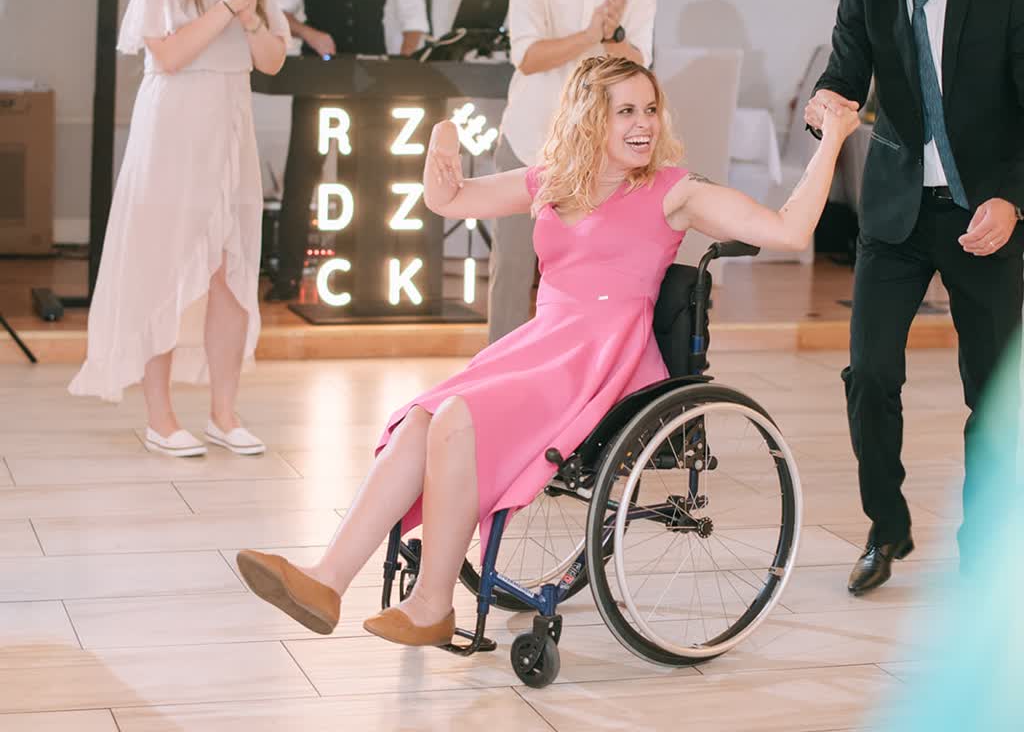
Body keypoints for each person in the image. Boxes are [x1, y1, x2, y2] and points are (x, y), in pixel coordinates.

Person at [237, 54, 859, 645]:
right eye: (626, 111)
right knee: (419, 419)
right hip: (540, 344)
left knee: (455, 418)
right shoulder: (554, 180)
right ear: (590, 118)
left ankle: (432, 604)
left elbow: (788, 229)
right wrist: (441, 154)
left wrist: (832, 139)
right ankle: (326, 580)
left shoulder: (675, 191)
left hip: (603, 358)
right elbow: (450, 201)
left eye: (650, 109)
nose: (644, 124)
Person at [806, 0, 1024, 594]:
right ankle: (886, 528)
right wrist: (826, 102)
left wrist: (1012, 200)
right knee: (868, 374)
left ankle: (986, 548)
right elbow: (844, 71)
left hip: (985, 215)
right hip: (895, 213)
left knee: (992, 393)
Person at [69, 0, 289, 457]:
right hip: (172, 131)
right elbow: (169, 56)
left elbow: (271, 61)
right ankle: (160, 418)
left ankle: (224, 413)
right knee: (164, 268)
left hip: (230, 130)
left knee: (230, 272)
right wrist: (227, 7)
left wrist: (248, 12)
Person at [488, 0, 656, 343]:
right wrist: (589, 35)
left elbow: (637, 66)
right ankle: (499, 374)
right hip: (527, 143)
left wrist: (612, 35)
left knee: (591, 275)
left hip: (597, 155)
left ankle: (580, 369)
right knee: (512, 268)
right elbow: (527, 57)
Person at [267, 0, 429, 302]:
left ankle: (358, 275)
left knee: (365, 178)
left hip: (369, 85)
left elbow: (415, 18)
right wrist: (309, 33)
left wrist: (402, 64)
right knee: (302, 176)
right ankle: (288, 278)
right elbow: (277, 12)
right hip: (316, 80)